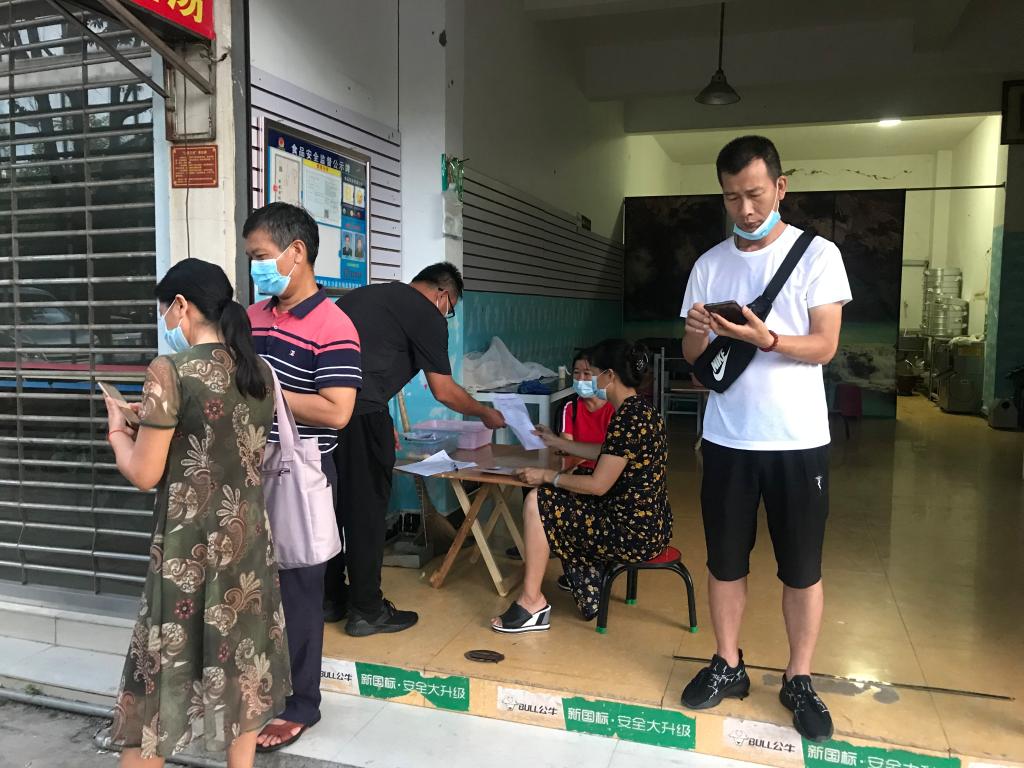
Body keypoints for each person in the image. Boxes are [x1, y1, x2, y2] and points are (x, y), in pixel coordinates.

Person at [679, 136, 851, 743]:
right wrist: (696, 330)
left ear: (780, 187)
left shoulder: (819, 255)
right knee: (725, 562)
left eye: (754, 194)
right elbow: (695, 358)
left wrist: (767, 339)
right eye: (732, 197)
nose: (745, 209)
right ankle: (728, 663)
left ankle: (798, 678)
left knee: (801, 568)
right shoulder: (709, 264)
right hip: (728, 440)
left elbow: (825, 345)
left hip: (798, 442)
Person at [105, 259, 289, 768]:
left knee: (161, 676)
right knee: (242, 669)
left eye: (167, 308)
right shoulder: (259, 371)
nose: (166, 318)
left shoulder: (170, 370)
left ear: (182, 305)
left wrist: (119, 431)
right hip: (247, 546)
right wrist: (153, 423)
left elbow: (145, 473)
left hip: (187, 550)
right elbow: (221, 440)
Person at [326, 262, 505, 636]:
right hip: (361, 416)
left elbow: (365, 363)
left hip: (323, 413)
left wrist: (382, 417)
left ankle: (330, 598)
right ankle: (367, 611)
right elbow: (445, 391)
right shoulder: (426, 314)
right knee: (366, 514)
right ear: (443, 294)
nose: (447, 314)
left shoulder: (368, 296)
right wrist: (484, 412)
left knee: (330, 509)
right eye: (450, 307)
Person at [243, 202, 362, 752]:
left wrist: (270, 392)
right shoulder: (250, 318)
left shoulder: (333, 326)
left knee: (298, 588)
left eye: (261, 256)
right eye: (251, 258)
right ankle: (253, 687)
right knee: (248, 586)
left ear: (296, 252)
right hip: (246, 468)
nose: (256, 268)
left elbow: (338, 410)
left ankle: (300, 703)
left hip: (302, 473)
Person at [491, 339, 672, 631]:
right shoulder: (641, 410)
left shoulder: (627, 418)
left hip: (631, 532)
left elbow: (598, 485)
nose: (588, 380)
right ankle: (574, 582)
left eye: (593, 373)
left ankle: (531, 602)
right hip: (652, 525)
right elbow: (607, 452)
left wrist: (548, 476)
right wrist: (559, 442)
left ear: (610, 376)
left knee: (538, 500)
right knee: (554, 497)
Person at [505, 347, 614, 561]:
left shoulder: (613, 410)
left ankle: (560, 544)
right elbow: (567, 449)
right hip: (575, 469)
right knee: (531, 482)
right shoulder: (570, 407)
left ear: (602, 375)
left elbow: (609, 455)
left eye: (587, 373)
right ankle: (538, 542)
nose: (581, 379)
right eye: (576, 373)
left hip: (604, 474)